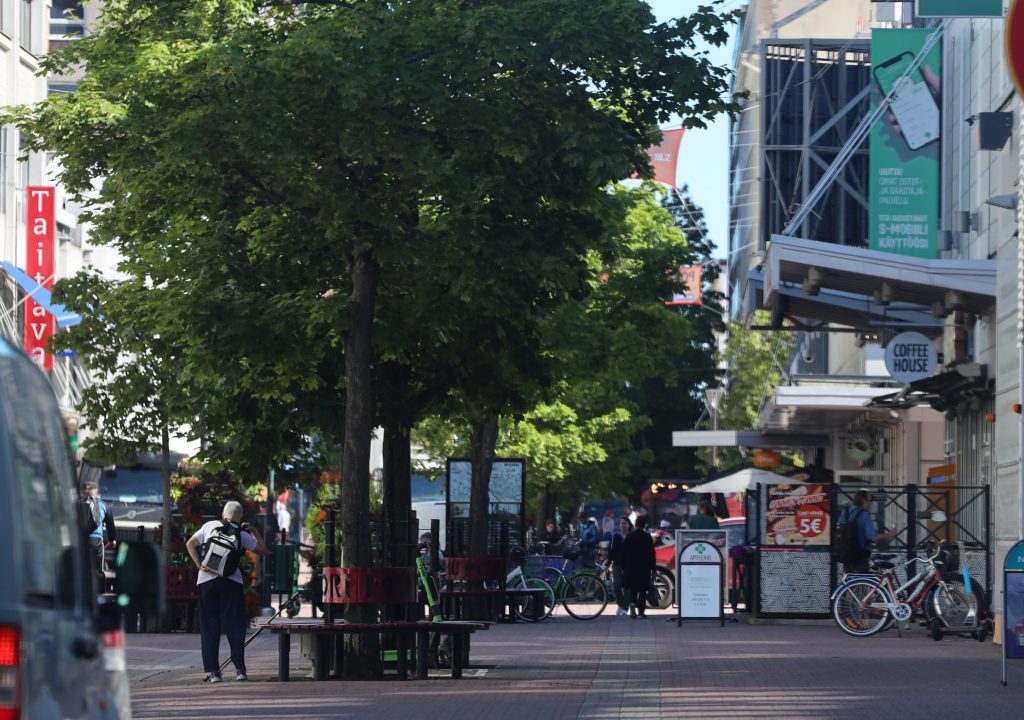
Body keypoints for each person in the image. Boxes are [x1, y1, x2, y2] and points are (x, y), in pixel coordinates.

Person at [186, 500, 267, 683]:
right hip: (232, 581)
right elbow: (263, 550)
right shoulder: (242, 533)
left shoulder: (209, 526)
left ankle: (214, 673)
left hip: (206, 580)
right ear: (240, 516)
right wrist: (254, 531)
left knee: (209, 625)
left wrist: (199, 564)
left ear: (223, 514)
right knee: (234, 624)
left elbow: (190, 544)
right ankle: (240, 670)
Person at [839, 489, 900, 573]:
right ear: (864, 501)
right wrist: (891, 534)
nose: (871, 503)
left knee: (850, 578)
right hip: (860, 556)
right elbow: (873, 537)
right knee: (863, 579)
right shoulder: (864, 514)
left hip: (845, 553)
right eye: (870, 500)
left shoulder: (845, 512)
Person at [620, 515, 656, 618]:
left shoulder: (630, 536)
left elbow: (623, 552)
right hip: (644, 568)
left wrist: (623, 567)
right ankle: (641, 612)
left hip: (631, 567)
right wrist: (653, 569)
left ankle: (632, 603)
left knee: (633, 589)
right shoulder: (647, 537)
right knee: (643, 591)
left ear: (636, 524)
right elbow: (652, 554)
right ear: (644, 525)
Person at [83, 479, 116, 588]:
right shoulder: (102, 505)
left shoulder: (75, 503)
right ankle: (99, 592)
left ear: (83, 490)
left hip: (80, 539)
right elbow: (110, 524)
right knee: (98, 569)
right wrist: (112, 540)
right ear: (96, 490)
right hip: (96, 540)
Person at [608, 516, 633, 616]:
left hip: (629, 565)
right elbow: (611, 551)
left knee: (627, 587)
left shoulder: (632, 536)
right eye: (621, 523)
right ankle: (621, 604)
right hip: (617, 565)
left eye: (625, 523)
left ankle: (624, 609)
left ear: (629, 525)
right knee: (616, 586)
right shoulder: (615, 536)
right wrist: (608, 563)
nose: (623, 525)